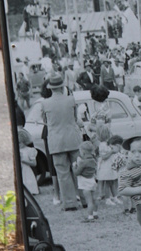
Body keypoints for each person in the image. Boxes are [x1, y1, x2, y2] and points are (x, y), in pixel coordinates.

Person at [40, 72, 82, 211]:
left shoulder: (45, 103)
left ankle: (69, 203)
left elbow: (45, 122)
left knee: (62, 174)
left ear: (51, 88)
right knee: (78, 170)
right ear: (62, 86)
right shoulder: (71, 100)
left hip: (56, 141)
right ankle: (84, 198)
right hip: (72, 138)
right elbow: (75, 118)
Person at [73, 135, 99, 221]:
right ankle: (95, 213)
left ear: (83, 152)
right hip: (92, 181)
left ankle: (90, 216)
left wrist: (74, 166)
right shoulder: (94, 160)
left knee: (89, 201)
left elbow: (76, 173)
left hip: (85, 183)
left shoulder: (83, 163)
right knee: (94, 199)